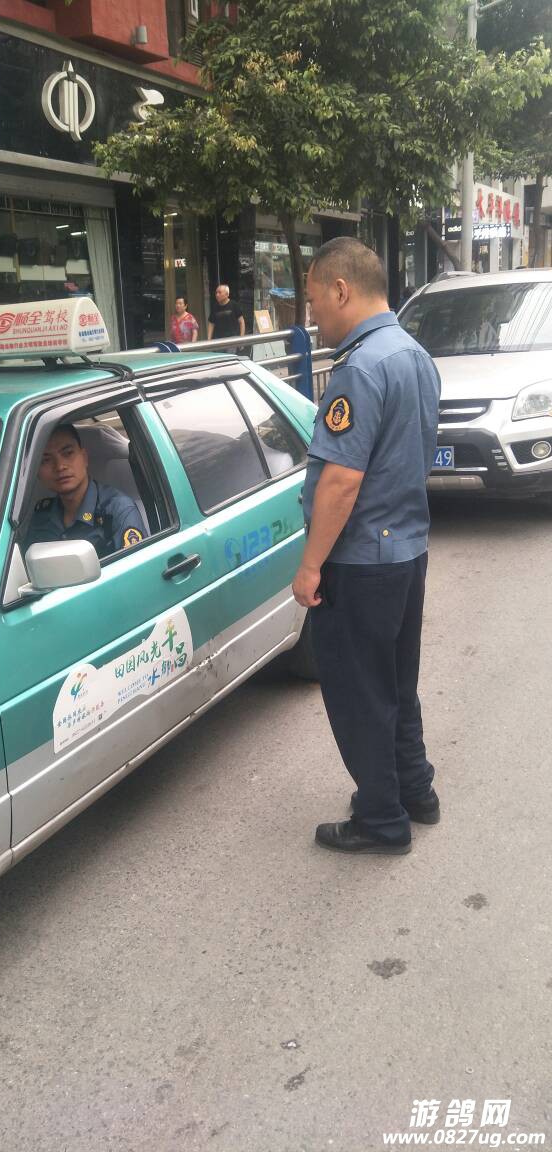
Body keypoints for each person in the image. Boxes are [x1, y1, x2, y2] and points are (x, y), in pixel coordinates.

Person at [292, 237, 440, 856]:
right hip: (407, 553)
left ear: (341, 289)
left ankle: (381, 820)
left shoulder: (358, 368)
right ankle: (416, 792)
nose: (312, 317)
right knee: (397, 684)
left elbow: (341, 482)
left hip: (359, 564)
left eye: (313, 302)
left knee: (360, 695)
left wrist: (310, 566)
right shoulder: (414, 354)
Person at [25, 424, 147, 559]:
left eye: (68, 453)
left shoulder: (117, 510)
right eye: (46, 460)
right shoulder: (41, 516)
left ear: (84, 458)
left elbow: (136, 567)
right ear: (37, 471)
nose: (59, 466)